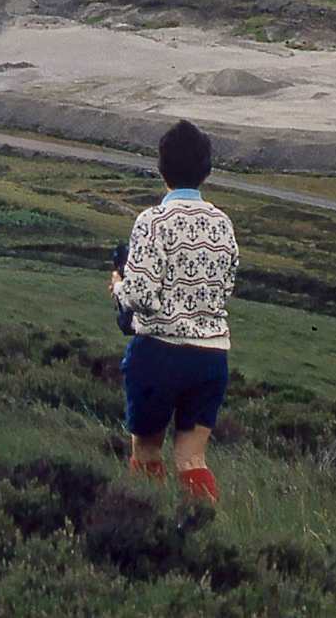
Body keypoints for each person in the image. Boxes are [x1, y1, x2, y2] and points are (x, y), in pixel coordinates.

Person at [109, 120, 239, 503]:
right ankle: (206, 534)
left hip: (160, 352)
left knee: (147, 450)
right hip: (212, 356)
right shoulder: (223, 224)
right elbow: (226, 286)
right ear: (207, 170)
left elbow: (141, 295)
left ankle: (150, 529)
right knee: (192, 457)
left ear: (161, 168)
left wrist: (118, 287)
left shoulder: (152, 221)